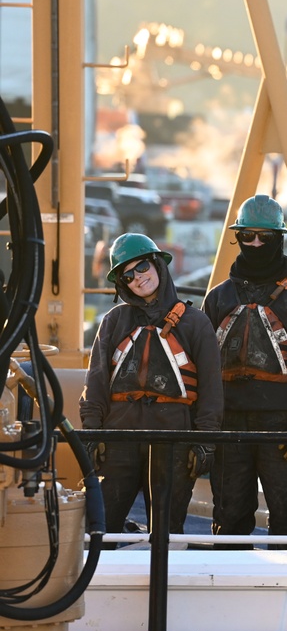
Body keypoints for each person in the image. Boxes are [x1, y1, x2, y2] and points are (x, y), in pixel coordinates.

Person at [202, 195, 287, 551]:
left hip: (283, 425)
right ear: (238, 237)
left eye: (265, 237)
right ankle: (232, 598)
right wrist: (206, 429)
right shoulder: (217, 299)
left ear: (279, 238)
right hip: (229, 426)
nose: (256, 244)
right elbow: (203, 370)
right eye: (248, 236)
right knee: (228, 518)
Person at [80, 233, 222, 545]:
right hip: (118, 437)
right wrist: (92, 433)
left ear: (157, 264)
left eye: (142, 267)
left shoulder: (195, 323)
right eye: (127, 275)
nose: (138, 279)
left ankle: (162, 592)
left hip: (173, 438)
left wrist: (205, 442)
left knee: (167, 532)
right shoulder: (114, 321)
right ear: (122, 284)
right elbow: (97, 381)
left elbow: (212, 389)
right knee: (101, 525)